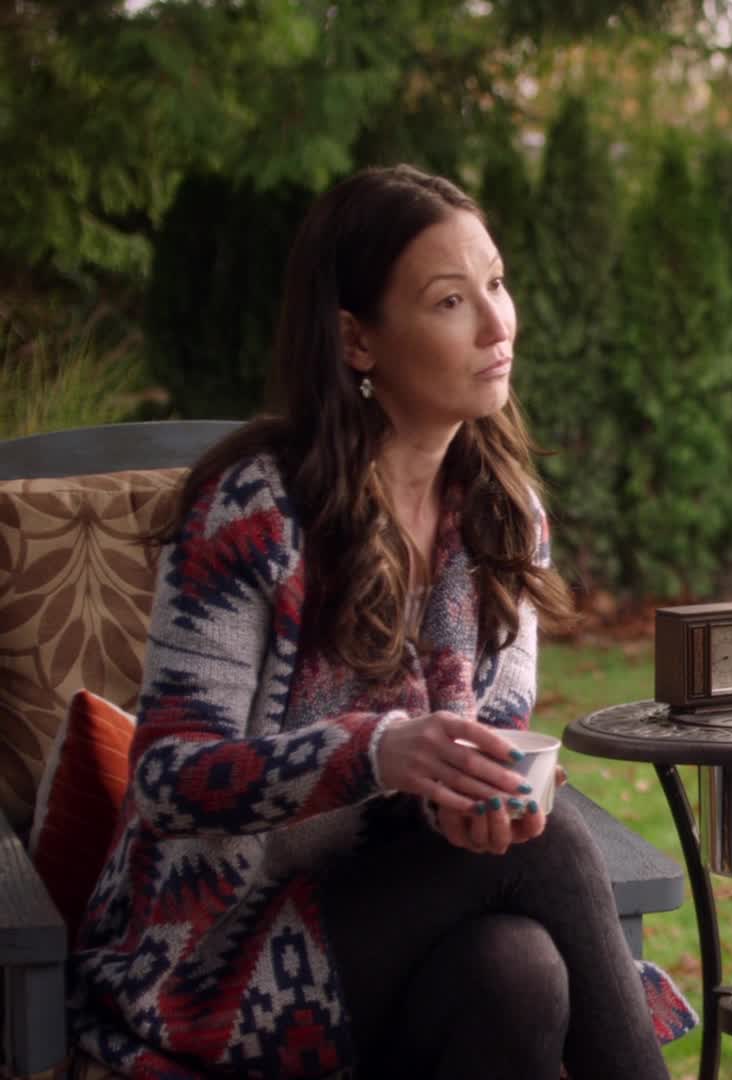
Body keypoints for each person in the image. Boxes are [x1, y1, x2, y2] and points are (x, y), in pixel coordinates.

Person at [67, 165, 684, 1078]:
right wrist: (376, 752)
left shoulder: (502, 516)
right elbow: (167, 777)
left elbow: (493, 742)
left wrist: (479, 805)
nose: (498, 324)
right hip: (218, 947)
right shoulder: (256, 511)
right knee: (551, 854)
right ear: (357, 340)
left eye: (497, 283)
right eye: (450, 301)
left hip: (405, 907)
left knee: (516, 971)